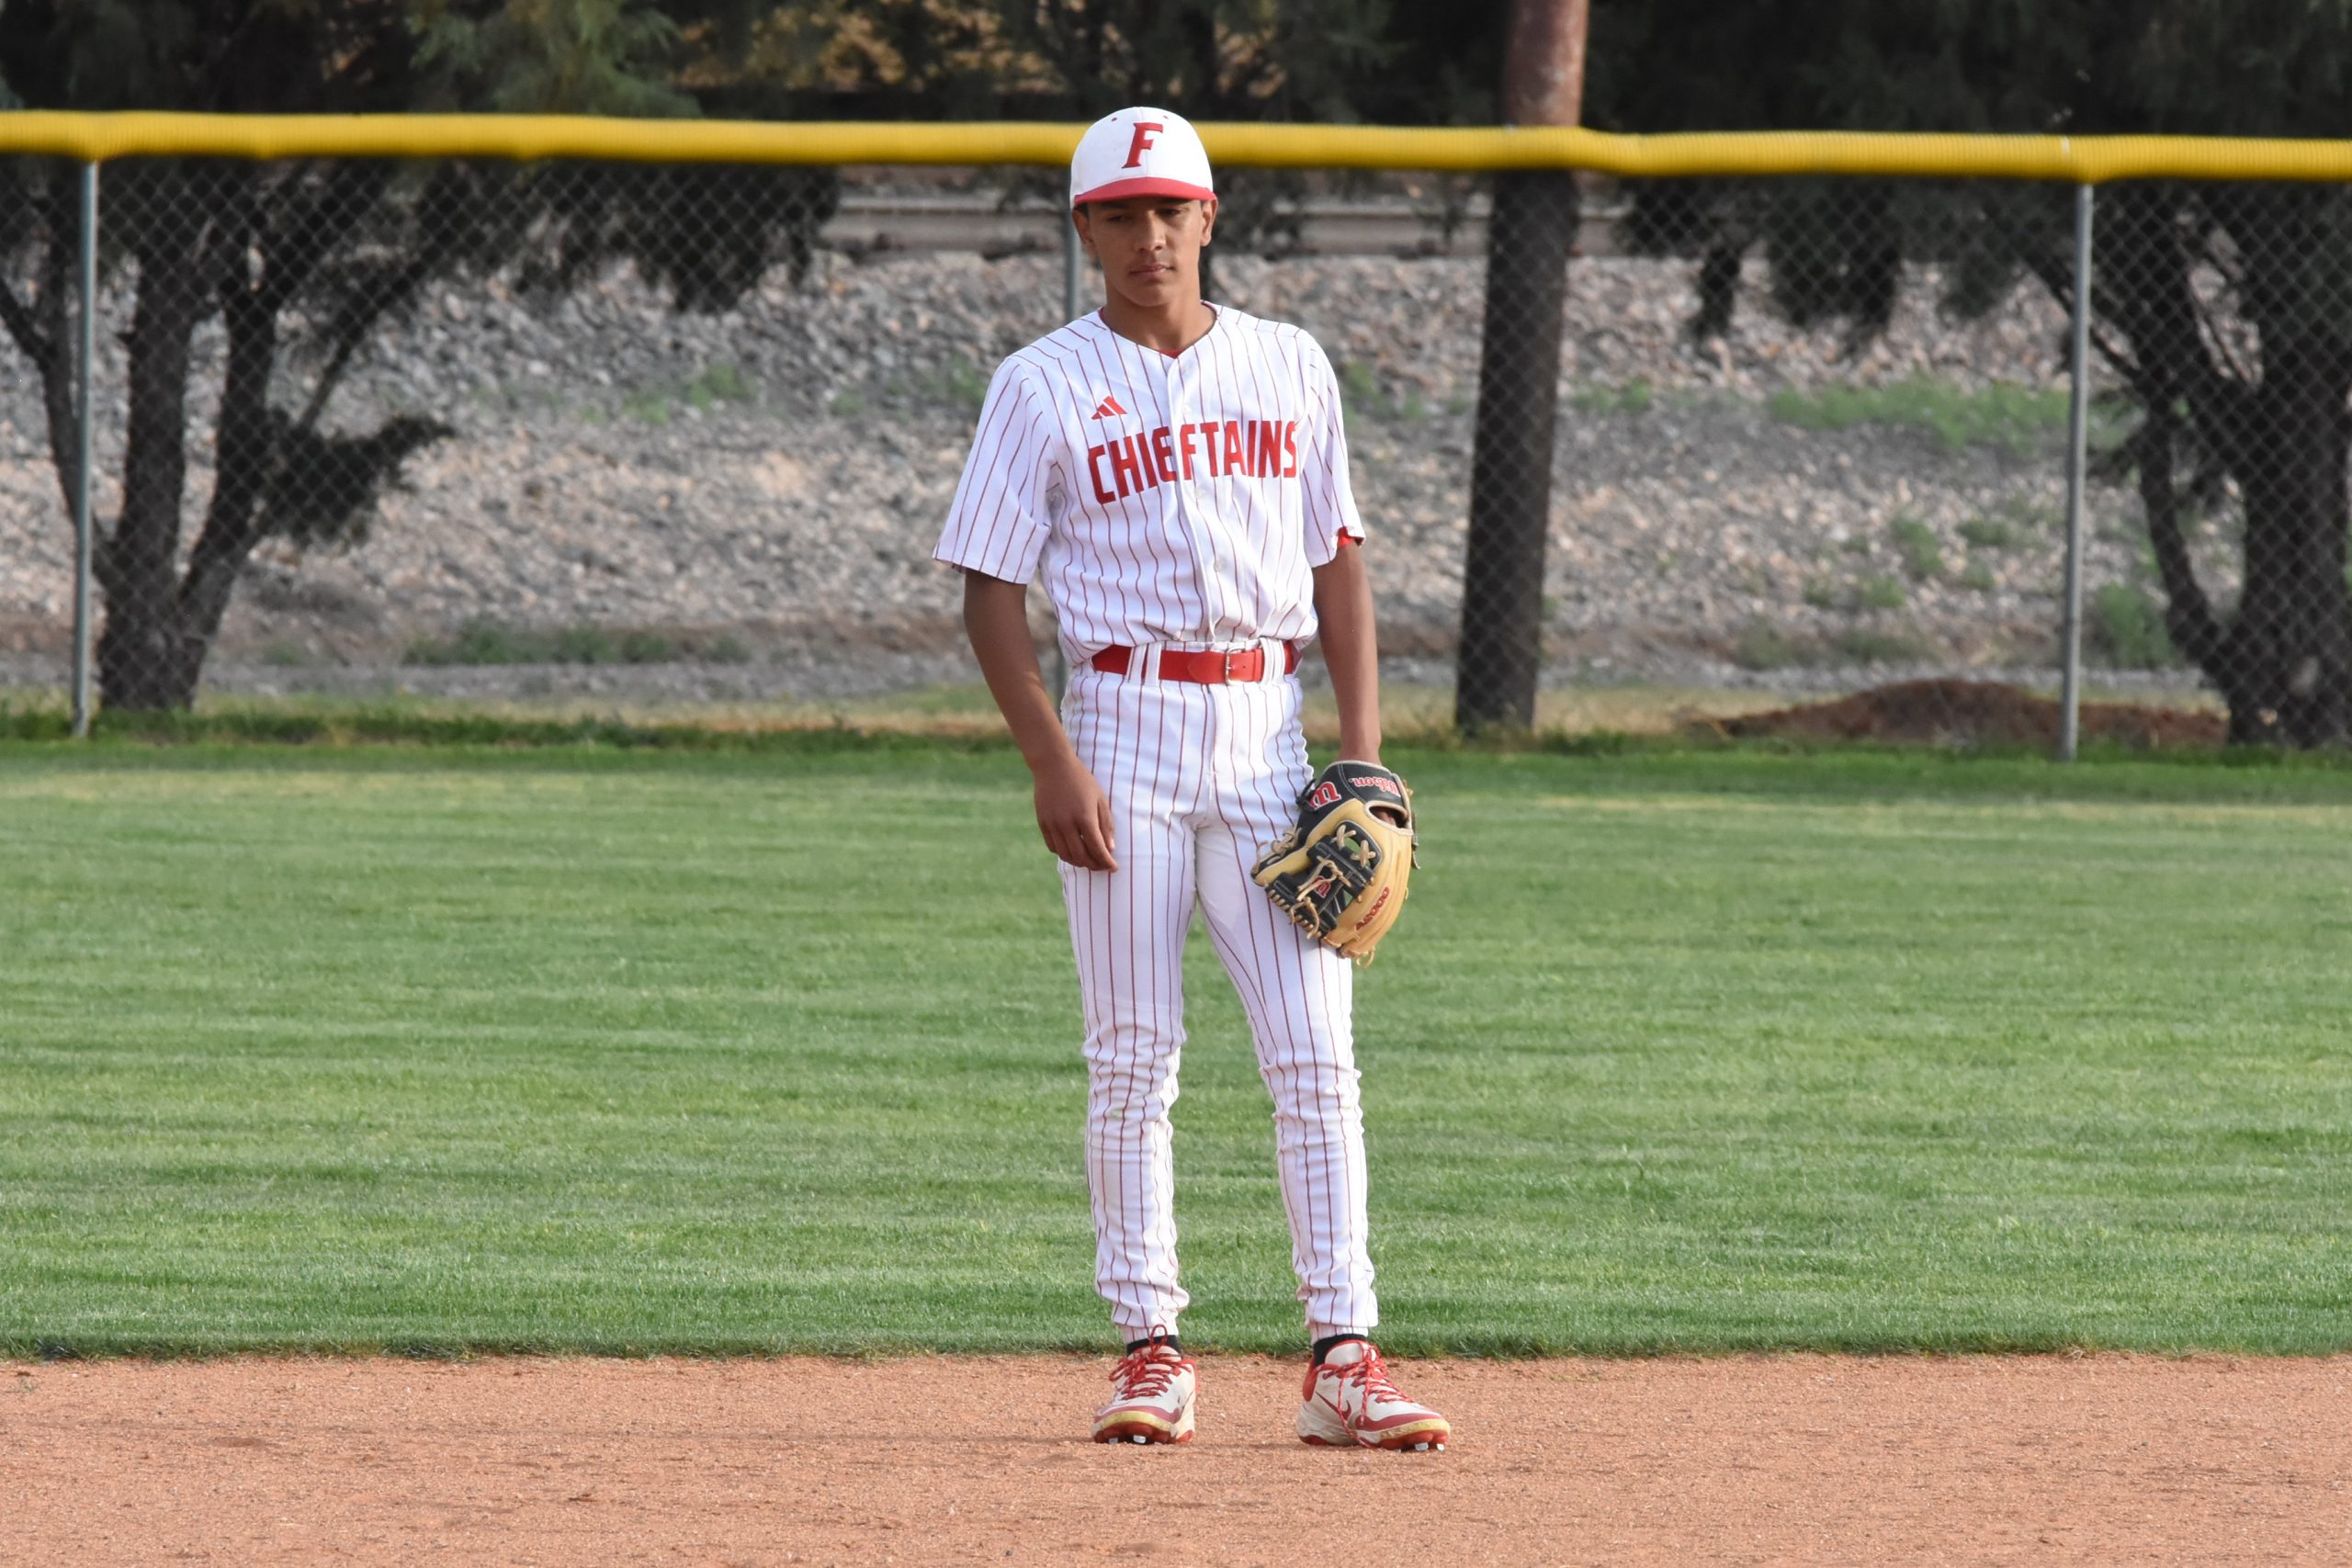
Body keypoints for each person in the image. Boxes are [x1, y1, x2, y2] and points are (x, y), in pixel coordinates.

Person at [933, 107, 1450, 1453]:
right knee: (1132, 1057)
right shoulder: (1040, 384)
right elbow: (989, 593)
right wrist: (1050, 760)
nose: (1148, 235)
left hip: (1266, 736)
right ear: (1085, 228)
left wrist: (1362, 754)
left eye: (1170, 209)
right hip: (1120, 731)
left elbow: (1337, 563)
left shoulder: (1289, 364)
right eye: (1121, 213)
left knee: (1316, 1056)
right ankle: (1150, 1349)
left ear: (1209, 217)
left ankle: (1345, 1357)